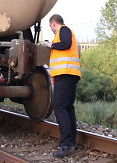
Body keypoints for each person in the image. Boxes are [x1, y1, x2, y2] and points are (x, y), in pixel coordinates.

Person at [44, 14, 81, 158]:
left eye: (51, 27)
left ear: (54, 24)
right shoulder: (63, 32)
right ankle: (71, 142)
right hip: (68, 74)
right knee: (67, 107)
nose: (51, 29)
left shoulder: (63, 30)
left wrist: (50, 45)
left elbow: (66, 44)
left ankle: (66, 144)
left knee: (59, 106)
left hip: (66, 74)